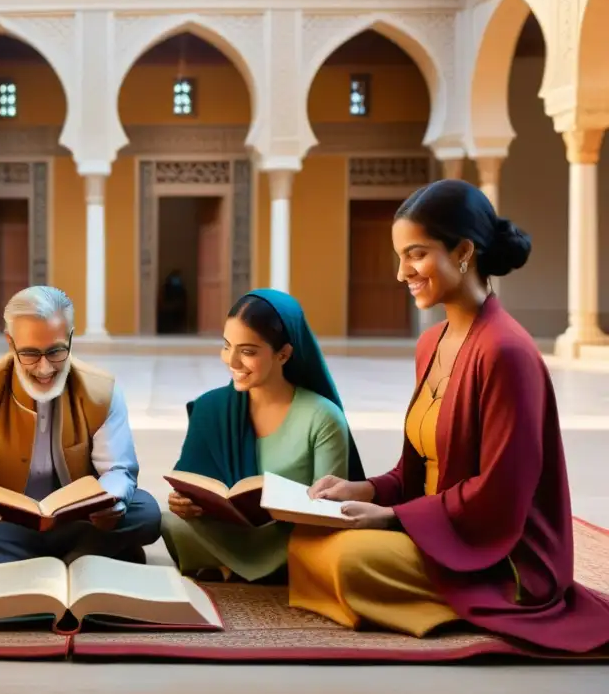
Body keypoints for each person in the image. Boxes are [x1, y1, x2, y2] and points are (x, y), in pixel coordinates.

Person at [287, 179, 609, 652]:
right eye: (400, 257)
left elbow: (499, 496)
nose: (402, 273)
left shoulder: (505, 352)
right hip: (438, 527)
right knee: (310, 543)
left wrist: (391, 517)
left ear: (462, 251)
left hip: (499, 552)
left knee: (346, 561)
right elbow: (416, 469)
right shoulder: (431, 343)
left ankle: (465, 602)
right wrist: (368, 489)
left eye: (415, 255)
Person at [0, 285, 161, 571]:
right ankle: (86, 559)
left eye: (55, 352)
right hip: (3, 522)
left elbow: (118, 470)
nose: (44, 368)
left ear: (71, 339)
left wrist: (112, 503)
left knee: (146, 512)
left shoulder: (102, 391)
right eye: (29, 353)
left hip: (78, 522)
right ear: (10, 343)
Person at [162, 289, 364, 583]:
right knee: (169, 523)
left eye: (247, 351)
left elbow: (329, 513)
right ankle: (263, 569)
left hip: (292, 536)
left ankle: (231, 567)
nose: (232, 361)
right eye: (226, 346)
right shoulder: (211, 407)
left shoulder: (322, 416)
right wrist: (182, 503)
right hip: (230, 532)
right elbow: (192, 483)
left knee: (338, 549)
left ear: (283, 354)